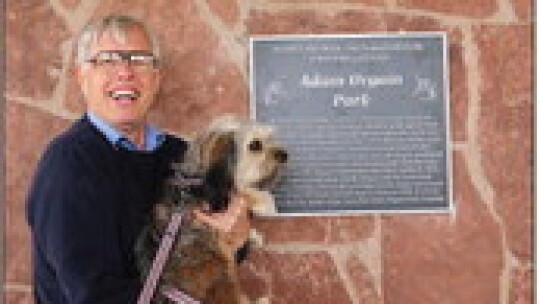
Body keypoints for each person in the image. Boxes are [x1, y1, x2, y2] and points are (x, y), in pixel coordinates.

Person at [26, 14, 251, 304]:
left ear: (156, 78)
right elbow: (93, 294)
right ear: (81, 77)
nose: (125, 72)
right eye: (107, 60)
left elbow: (222, 243)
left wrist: (236, 238)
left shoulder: (183, 156)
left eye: (139, 59)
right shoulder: (69, 165)